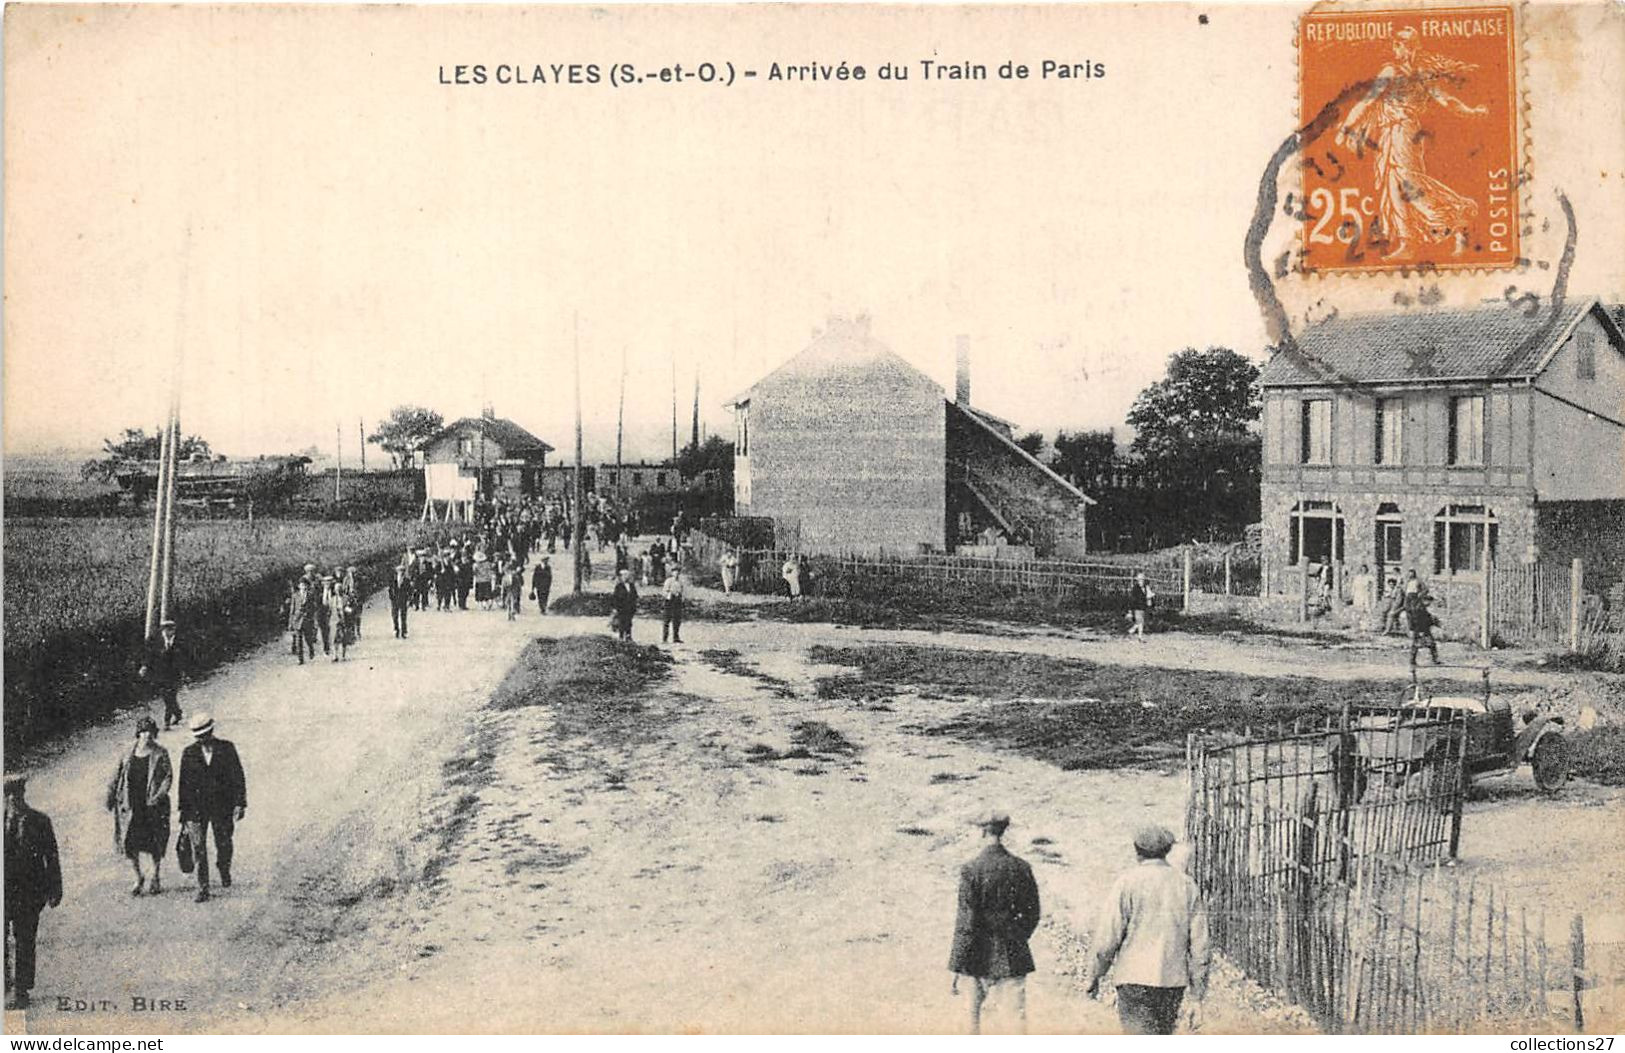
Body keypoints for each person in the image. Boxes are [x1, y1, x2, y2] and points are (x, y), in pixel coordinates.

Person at [1337, 25, 1488, 261]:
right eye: (1396, 44)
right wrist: (1348, 126)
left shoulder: (1410, 73)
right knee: (1393, 185)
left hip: (1404, 132)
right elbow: (1368, 101)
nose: (1396, 49)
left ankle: (1456, 218)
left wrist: (1471, 111)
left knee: (1409, 183)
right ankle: (1408, 242)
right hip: (1391, 134)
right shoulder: (1403, 72)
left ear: (1407, 47)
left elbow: (1445, 100)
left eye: (1400, 45)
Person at [1084, 825, 1210, 1035]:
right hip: (1172, 980)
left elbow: (1108, 937)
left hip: (1134, 978)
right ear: (1168, 850)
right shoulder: (1186, 885)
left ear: (1137, 851)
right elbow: (1200, 946)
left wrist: (1095, 974)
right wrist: (1197, 996)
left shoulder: (1127, 883)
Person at [948, 810, 1040, 1035]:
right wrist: (1016, 937)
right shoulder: (1021, 867)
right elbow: (1032, 913)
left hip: (975, 956)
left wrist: (957, 964)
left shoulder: (971, 869)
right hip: (1012, 953)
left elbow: (966, 922)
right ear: (1004, 832)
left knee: (969, 1023)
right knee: (1014, 1023)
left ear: (982, 832)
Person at [4, 775, 61, 1010]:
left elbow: (52, 857)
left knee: (25, 940)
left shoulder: (40, 821)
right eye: (7, 795)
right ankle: (5, 983)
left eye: (16, 794)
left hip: (30, 891)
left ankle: (22, 989)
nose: (12, 799)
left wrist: (55, 889)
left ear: (23, 793)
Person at [177, 713, 246, 903]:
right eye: (198, 737)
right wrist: (183, 812)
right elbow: (183, 784)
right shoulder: (189, 753)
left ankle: (223, 868)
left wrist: (240, 803)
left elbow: (238, 777)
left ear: (212, 732)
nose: (202, 740)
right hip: (196, 808)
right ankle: (203, 887)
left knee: (223, 842)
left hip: (222, 806)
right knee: (198, 847)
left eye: (205, 735)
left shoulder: (227, 749)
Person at [105, 716, 172, 896]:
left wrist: (159, 796)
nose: (146, 735)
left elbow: (168, 777)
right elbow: (116, 775)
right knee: (130, 843)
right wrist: (109, 797)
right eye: (143, 732)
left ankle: (156, 876)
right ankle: (138, 877)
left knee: (154, 843)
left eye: (150, 732)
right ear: (138, 734)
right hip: (130, 804)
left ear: (154, 734)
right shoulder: (127, 753)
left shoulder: (161, 753)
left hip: (152, 806)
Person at [140, 617, 185, 729]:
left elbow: (186, 657)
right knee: (168, 697)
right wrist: (145, 666)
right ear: (162, 630)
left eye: (171, 630)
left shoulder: (180, 640)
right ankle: (178, 714)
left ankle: (167, 722)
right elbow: (148, 655)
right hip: (160, 675)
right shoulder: (155, 641)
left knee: (170, 697)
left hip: (175, 674)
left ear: (174, 630)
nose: (168, 632)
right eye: (166, 630)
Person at [1404, 571, 1440, 667]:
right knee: (1417, 644)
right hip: (1419, 628)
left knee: (1430, 644)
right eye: (1427, 602)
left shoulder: (1421, 607)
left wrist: (1434, 622)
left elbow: (1427, 617)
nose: (1429, 604)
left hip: (1424, 628)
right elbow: (1414, 618)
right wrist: (1415, 629)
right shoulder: (1417, 608)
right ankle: (1412, 661)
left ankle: (1434, 659)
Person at [286, 579, 318, 664]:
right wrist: (290, 623)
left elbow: (314, 608)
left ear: (307, 586)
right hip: (297, 619)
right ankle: (300, 659)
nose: (303, 587)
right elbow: (292, 609)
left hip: (307, 619)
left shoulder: (310, 595)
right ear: (299, 586)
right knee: (298, 640)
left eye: (305, 585)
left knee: (308, 639)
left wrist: (313, 619)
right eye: (301, 585)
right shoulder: (295, 595)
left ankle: (311, 650)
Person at [610, 569, 639, 642]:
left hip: (630, 607)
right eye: (624, 576)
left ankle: (629, 636)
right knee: (622, 622)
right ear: (621, 577)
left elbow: (635, 596)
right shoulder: (618, 586)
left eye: (627, 576)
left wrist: (634, 604)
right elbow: (615, 598)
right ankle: (621, 636)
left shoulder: (631, 585)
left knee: (629, 622)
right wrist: (615, 608)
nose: (626, 577)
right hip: (621, 607)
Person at [662, 567, 686, 644]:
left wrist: (681, 598)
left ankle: (676, 637)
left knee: (677, 620)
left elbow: (682, 592)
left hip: (677, 602)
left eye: (678, 572)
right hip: (669, 602)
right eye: (675, 572)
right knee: (667, 620)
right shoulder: (668, 581)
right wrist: (670, 594)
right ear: (672, 573)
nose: (676, 574)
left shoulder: (680, 582)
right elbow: (664, 592)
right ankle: (665, 638)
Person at [387, 564, 411, 639]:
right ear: (397, 572)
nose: (401, 573)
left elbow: (409, 591)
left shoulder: (407, 580)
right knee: (395, 616)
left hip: (403, 600)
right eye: (399, 571)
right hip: (395, 600)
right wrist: (391, 598)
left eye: (402, 571)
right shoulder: (393, 580)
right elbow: (390, 589)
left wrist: (409, 600)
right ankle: (396, 629)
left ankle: (404, 631)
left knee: (403, 617)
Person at [1128, 572, 1154, 639]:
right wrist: (1131, 609)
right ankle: (1139, 636)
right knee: (1140, 622)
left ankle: (1133, 631)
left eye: (1142, 580)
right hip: (1137, 607)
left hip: (1143, 607)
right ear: (1137, 580)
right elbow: (1132, 599)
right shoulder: (1135, 589)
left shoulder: (1146, 587)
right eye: (1139, 580)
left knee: (1141, 622)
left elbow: (1149, 595)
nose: (1141, 581)